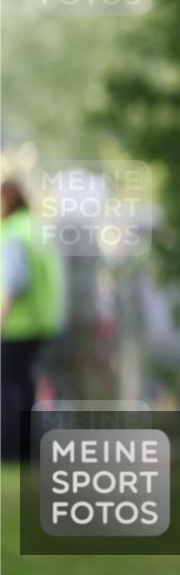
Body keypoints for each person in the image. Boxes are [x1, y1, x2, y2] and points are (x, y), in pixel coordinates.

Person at [1, 178, 64, 461]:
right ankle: (27, 452)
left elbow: (13, 284)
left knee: (8, 391)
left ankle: (10, 454)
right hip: (43, 324)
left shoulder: (13, 232)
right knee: (25, 387)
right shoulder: (36, 229)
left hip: (18, 326)